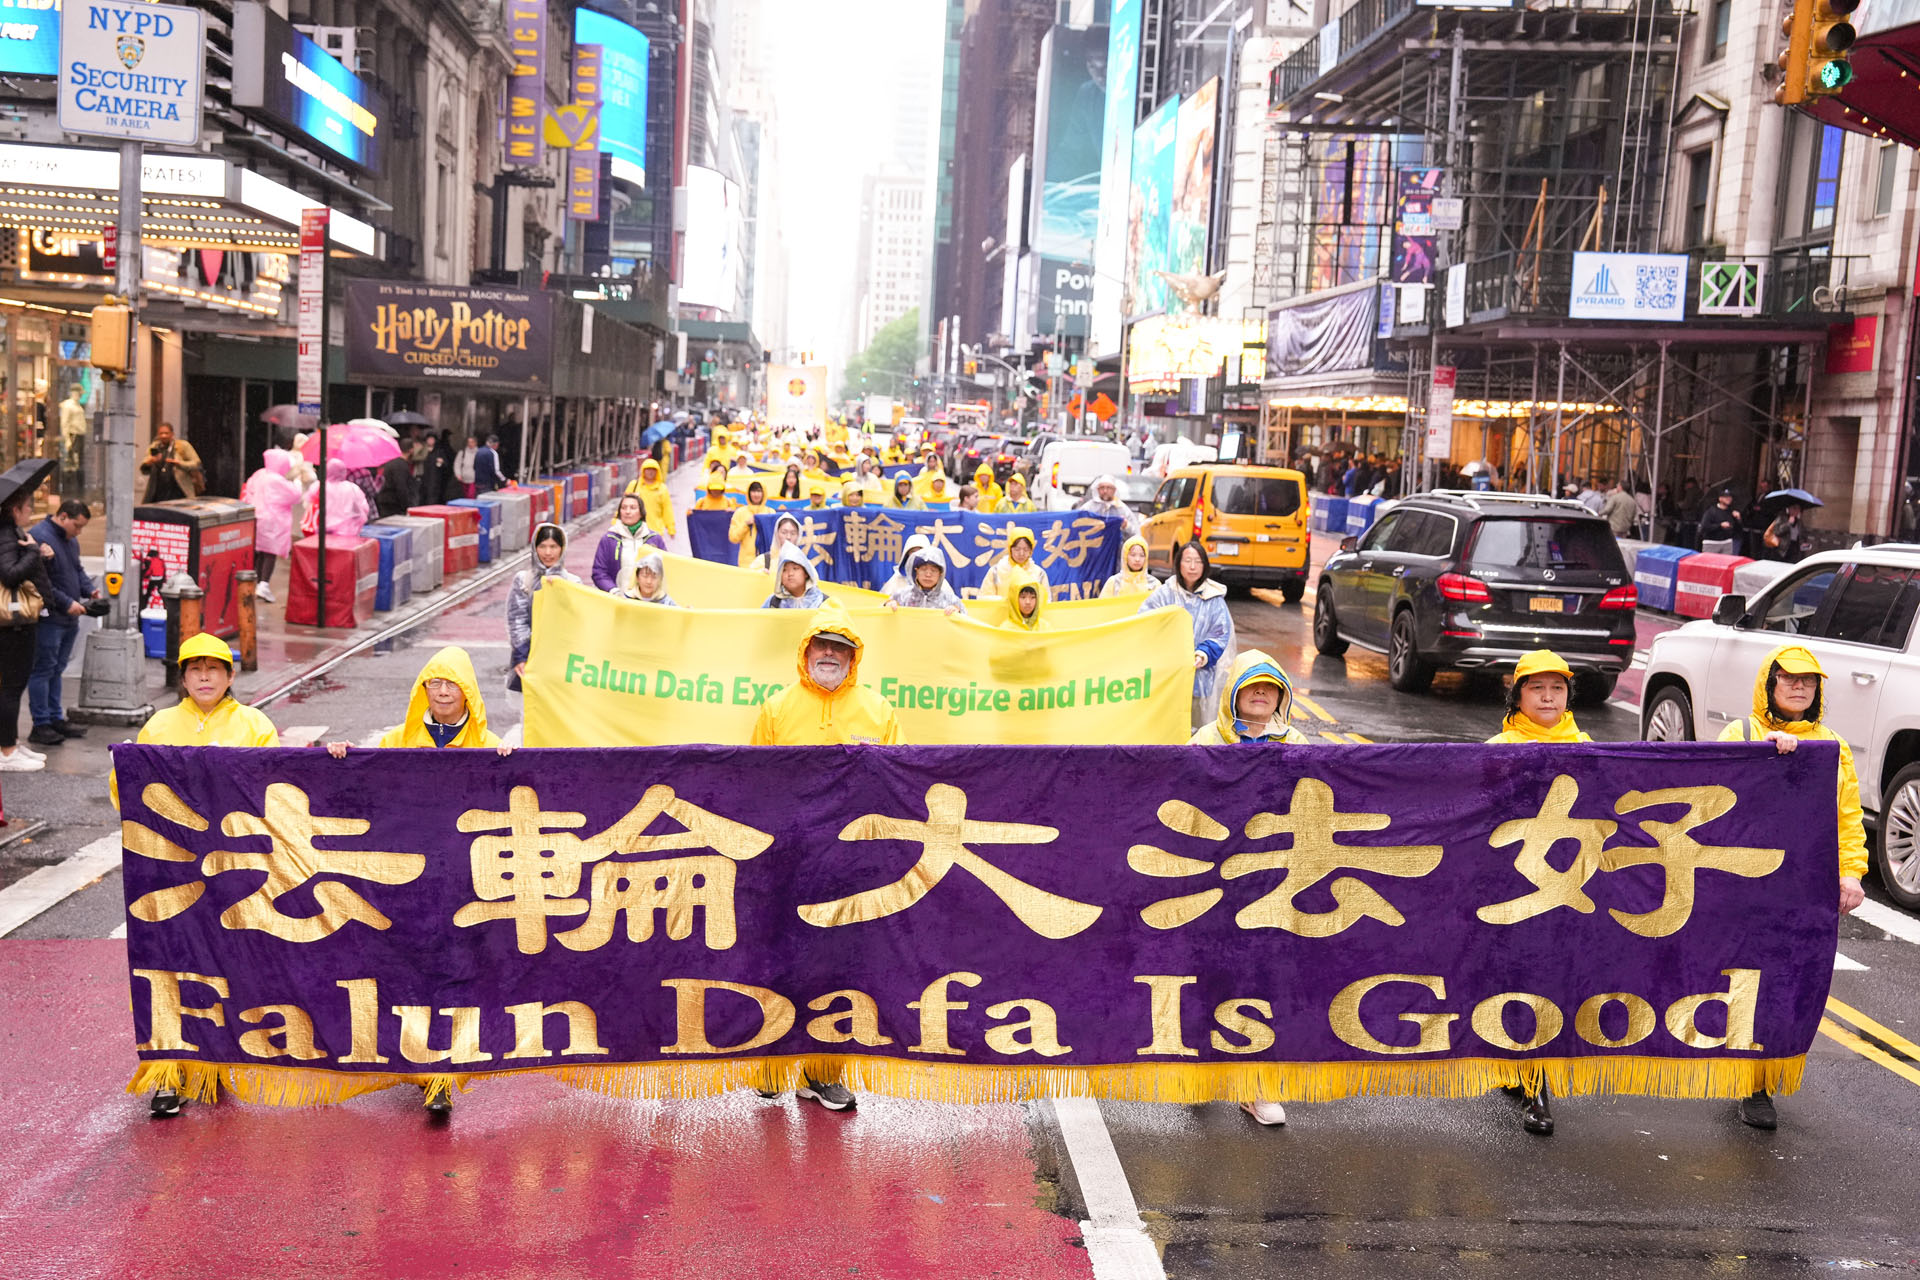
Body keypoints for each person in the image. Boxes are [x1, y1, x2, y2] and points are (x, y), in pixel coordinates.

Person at [1718, 644, 1866, 1131]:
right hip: (1745, 885)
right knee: (1740, 977)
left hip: (1804, 886)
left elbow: (1846, 817)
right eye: (1789, 678)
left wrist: (1851, 872)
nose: (1800, 687)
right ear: (1770, 683)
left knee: (1788, 982)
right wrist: (1765, 754)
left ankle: (1762, 1077)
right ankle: (1743, 1076)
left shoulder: (1833, 746)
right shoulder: (1740, 734)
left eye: (1809, 681)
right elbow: (1716, 796)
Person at [1188, 650, 1312, 1128]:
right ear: (1234, 693)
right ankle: (1200, 1073)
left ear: (1281, 695)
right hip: (1216, 883)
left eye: (1270, 685)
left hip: (1275, 884)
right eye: (1251, 684)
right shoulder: (1205, 740)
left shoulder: (1298, 743)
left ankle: (1256, 1086)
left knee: (1266, 982)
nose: (1261, 692)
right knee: (1210, 978)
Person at [26, 499, 99, 748]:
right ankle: (41, 723)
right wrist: (67, 602)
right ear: (63, 516)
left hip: (68, 617)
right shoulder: (39, 536)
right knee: (43, 669)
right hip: (50, 617)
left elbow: (76, 570)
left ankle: (55, 718)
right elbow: (40, 580)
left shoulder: (70, 540)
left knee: (57, 669)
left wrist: (89, 590)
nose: (79, 532)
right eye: (77, 526)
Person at [1140, 541, 1234, 731]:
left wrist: (1203, 654)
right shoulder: (1166, 593)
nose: (1192, 567)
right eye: (1188, 560)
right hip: (1167, 676)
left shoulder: (1213, 598)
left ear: (1205, 565)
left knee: (1196, 728)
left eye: (1198, 561)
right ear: (1178, 563)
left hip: (1200, 676)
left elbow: (1220, 634)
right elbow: (1146, 620)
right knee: (1165, 726)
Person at [507, 523, 579, 693]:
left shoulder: (573, 582)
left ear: (562, 549)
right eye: (542, 546)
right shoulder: (523, 580)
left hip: (561, 659)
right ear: (535, 548)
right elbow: (517, 620)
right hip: (531, 655)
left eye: (553, 547)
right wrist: (521, 656)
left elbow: (576, 621)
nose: (548, 553)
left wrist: (561, 590)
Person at [242, 449, 302, 603]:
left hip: (257, 516)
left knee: (259, 551)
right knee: (270, 552)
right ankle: (263, 585)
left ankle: (254, 582)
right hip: (274, 521)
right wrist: (297, 482)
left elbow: (248, 490)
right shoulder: (278, 480)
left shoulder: (260, 474)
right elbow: (295, 496)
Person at [593, 494, 660, 592]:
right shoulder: (608, 539)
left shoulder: (654, 539)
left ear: (641, 512)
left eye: (633, 508)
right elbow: (599, 572)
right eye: (624, 508)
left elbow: (664, 569)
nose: (627, 512)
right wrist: (613, 590)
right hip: (618, 598)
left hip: (647, 598)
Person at [980, 527, 1052, 601]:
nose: (1021, 553)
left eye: (1026, 549)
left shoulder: (1039, 573)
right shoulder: (996, 571)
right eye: (1017, 549)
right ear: (1010, 549)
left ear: (1031, 550)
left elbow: (1046, 601)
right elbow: (983, 599)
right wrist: (1007, 601)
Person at [303, 459, 371, 538]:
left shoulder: (318, 486)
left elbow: (307, 505)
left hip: (322, 533)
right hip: (347, 533)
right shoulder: (352, 488)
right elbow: (363, 510)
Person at [886, 545, 962, 614]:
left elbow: (965, 620)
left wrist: (957, 612)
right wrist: (888, 605)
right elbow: (883, 617)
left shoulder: (950, 600)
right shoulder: (901, 596)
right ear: (916, 572)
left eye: (933, 570)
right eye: (923, 569)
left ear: (940, 574)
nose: (928, 575)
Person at [139, 423, 202, 502]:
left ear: (172, 434)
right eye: (161, 433)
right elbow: (144, 468)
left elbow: (196, 463)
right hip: (158, 492)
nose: (164, 436)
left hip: (179, 490)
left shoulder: (182, 446)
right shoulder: (154, 446)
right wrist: (151, 461)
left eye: (166, 433)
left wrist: (180, 463)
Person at [762, 544, 826, 609]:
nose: (790, 574)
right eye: (784, 570)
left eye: (795, 568)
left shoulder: (823, 602)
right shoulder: (773, 603)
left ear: (806, 573)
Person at [626, 458, 676, 537]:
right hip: (635, 531)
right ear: (643, 470)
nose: (650, 472)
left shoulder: (662, 489)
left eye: (653, 469)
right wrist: (616, 522)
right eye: (648, 469)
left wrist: (671, 528)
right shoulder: (634, 486)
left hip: (655, 532)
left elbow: (667, 509)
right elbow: (624, 505)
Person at [728, 481, 771, 567]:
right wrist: (746, 524)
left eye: (759, 491)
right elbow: (733, 538)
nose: (756, 494)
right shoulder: (740, 512)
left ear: (763, 493)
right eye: (753, 491)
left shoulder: (770, 512)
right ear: (749, 493)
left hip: (766, 562)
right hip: (746, 563)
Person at [999, 566, 1049, 632]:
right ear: (1014, 599)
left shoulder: (1045, 627)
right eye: (1023, 597)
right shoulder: (1005, 629)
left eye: (1032, 597)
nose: (1028, 602)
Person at [375, 451, 414, 518]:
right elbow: (401, 487)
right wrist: (406, 505)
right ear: (411, 450)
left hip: (385, 500)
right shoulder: (401, 465)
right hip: (394, 503)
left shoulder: (390, 463)